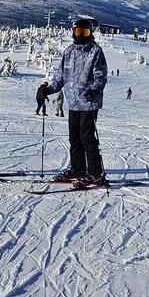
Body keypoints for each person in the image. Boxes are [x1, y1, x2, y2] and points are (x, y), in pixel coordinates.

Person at [43, 18, 108, 186]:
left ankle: (95, 173)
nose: (80, 35)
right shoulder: (68, 51)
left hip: (88, 102)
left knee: (87, 137)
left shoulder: (95, 51)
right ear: (73, 31)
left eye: (84, 32)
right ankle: (78, 169)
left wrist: (94, 90)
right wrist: (48, 89)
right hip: (73, 102)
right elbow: (60, 77)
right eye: (78, 31)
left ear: (90, 33)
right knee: (74, 138)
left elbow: (101, 76)